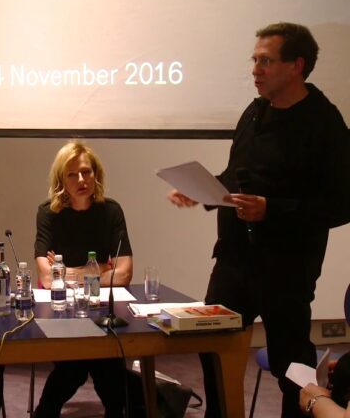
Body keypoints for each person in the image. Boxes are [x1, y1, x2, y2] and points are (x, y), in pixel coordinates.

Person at [167, 22, 350, 417]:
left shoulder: (324, 123)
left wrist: (274, 210)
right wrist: (202, 191)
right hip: (234, 258)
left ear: (296, 66)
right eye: (254, 60)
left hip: (287, 266)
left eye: (266, 61)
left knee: (292, 365)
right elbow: (239, 176)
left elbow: (341, 202)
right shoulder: (255, 112)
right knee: (211, 345)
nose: (256, 69)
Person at [33, 141, 132, 418]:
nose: (81, 180)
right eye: (72, 174)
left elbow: (124, 273)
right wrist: (100, 268)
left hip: (100, 307)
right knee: (86, 366)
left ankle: (45, 413)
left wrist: (69, 271)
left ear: (96, 175)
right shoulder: (48, 213)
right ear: (61, 179)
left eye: (87, 172)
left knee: (98, 365)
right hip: (61, 309)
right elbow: (46, 276)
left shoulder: (111, 211)